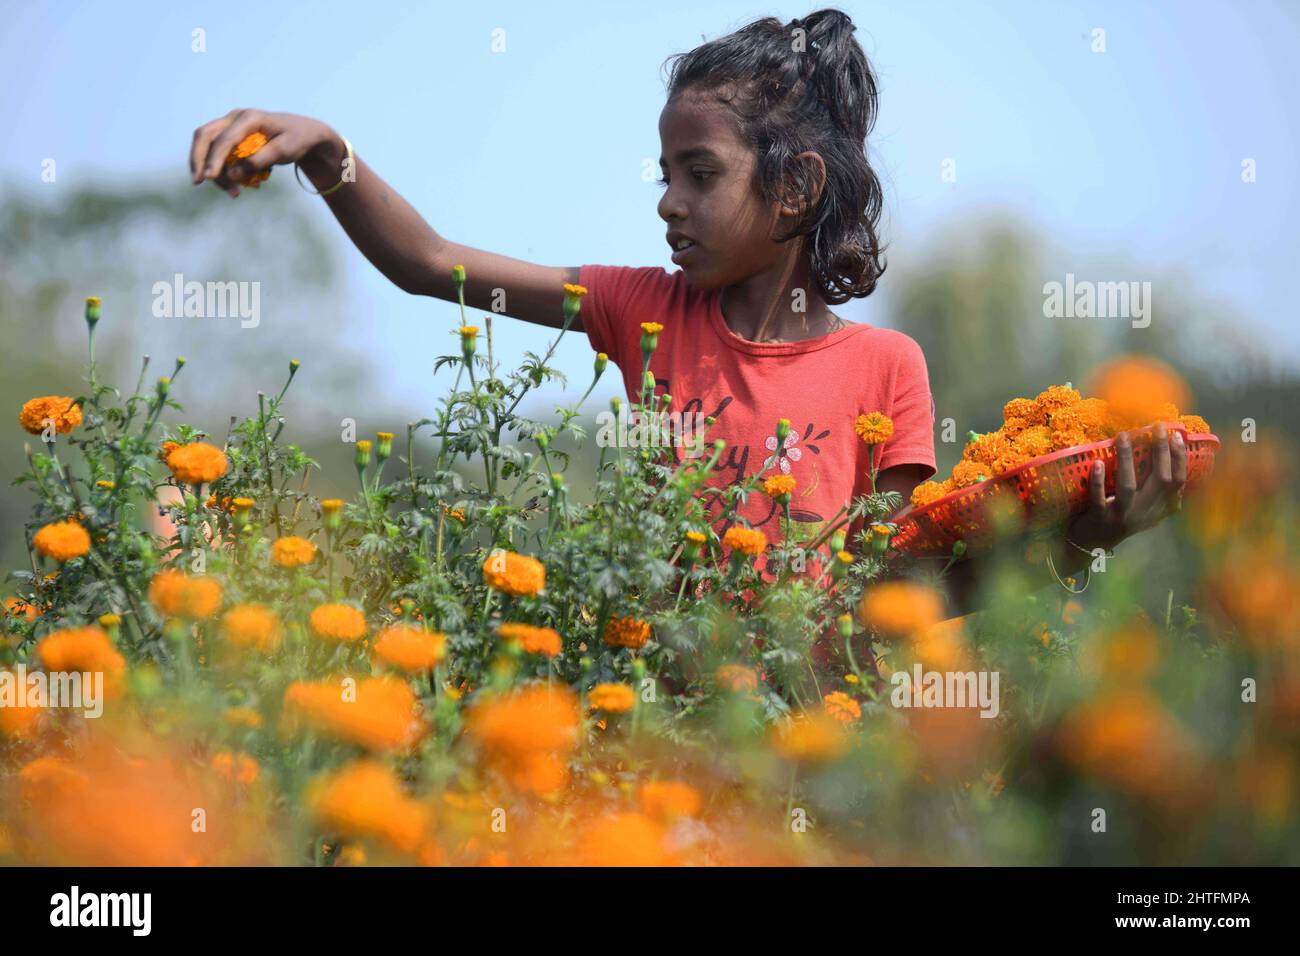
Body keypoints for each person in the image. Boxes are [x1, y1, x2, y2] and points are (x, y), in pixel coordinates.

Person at [187, 8, 1186, 616]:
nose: (666, 198)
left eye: (697, 173)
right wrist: (330, 152)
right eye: (664, 171)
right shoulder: (639, 309)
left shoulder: (890, 369)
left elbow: (903, 593)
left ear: (794, 186)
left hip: (818, 740)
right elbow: (429, 265)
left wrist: (1067, 540)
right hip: (662, 733)